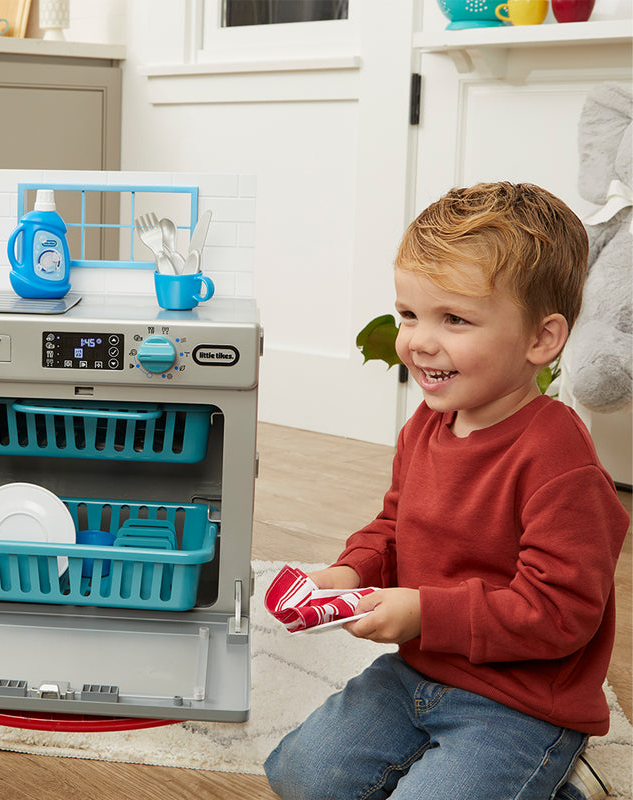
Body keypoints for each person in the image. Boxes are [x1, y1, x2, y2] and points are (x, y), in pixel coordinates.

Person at [264, 182, 630, 800]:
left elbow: (561, 615)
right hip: (420, 668)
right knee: (300, 774)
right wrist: (351, 574)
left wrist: (422, 612)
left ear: (542, 340)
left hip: (522, 700)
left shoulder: (559, 462)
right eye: (409, 314)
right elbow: (394, 525)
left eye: (454, 319)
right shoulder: (426, 427)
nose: (418, 341)